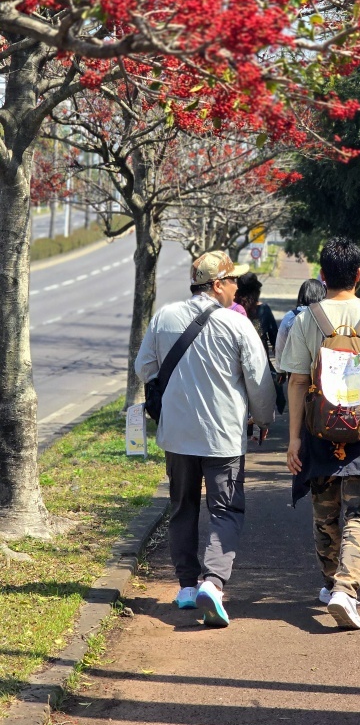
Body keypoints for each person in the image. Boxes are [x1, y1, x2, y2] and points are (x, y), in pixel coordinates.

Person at [135, 250, 275, 628]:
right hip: (223, 437)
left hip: (177, 436)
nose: (236, 287)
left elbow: (143, 367)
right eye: (232, 281)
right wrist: (263, 419)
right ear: (217, 285)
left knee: (182, 506)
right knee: (226, 509)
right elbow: (260, 383)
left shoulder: (164, 317)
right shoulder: (237, 325)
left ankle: (184, 586)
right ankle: (212, 582)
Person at [281, 236, 360, 631]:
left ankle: (332, 584)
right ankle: (346, 589)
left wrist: (294, 438)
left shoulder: (306, 319)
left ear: (322, 274)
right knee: (359, 513)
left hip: (319, 430)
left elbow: (296, 381)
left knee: (325, 514)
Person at [236, 271, 284, 413]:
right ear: (257, 291)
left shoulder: (232, 310)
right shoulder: (263, 310)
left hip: (235, 363)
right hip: (260, 363)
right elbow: (276, 340)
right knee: (275, 385)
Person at [274, 278, 326, 372]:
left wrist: (280, 370)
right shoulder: (326, 316)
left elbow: (280, 344)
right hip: (321, 369)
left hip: (296, 370)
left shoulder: (291, 316)